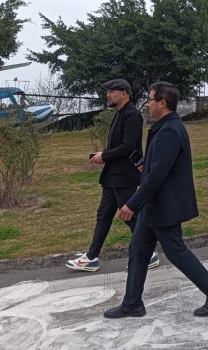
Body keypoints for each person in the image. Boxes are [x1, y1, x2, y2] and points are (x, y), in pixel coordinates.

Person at [103, 82, 208, 319]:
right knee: (138, 249)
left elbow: (157, 177)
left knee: (176, 252)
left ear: (162, 103)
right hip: (155, 206)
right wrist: (146, 165)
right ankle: (132, 303)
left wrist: (132, 203)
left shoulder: (170, 130)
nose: (147, 105)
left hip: (164, 205)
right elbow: (159, 167)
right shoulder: (165, 127)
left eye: (150, 100)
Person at [65, 79, 159, 272]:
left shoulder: (131, 115)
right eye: (107, 92)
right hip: (113, 175)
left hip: (124, 175)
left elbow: (128, 147)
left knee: (129, 215)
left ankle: (148, 253)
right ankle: (91, 257)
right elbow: (119, 145)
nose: (108, 95)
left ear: (124, 93)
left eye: (111, 92)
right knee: (104, 215)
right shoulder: (120, 113)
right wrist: (103, 155)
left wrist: (104, 156)